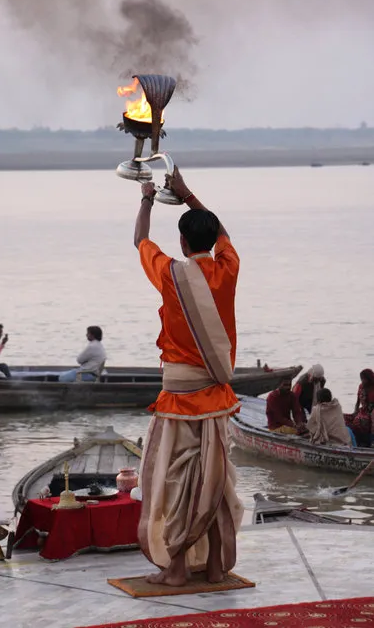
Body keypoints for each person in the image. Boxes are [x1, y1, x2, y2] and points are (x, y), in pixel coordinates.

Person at [135, 166, 243, 587]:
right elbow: (222, 234)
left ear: (181, 242)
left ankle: (178, 568)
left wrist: (147, 198)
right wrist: (187, 193)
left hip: (179, 400)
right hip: (217, 399)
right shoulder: (228, 269)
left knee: (177, 482)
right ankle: (215, 567)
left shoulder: (171, 274)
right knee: (213, 481)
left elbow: (141, 240)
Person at [344, 369, 374, 448]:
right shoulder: (361, 387)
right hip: (362, 411)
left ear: (369, 379)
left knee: (360, 420)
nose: (362, 381)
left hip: (371, 413)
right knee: (343, 417)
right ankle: (353, 439)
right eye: (361, 379)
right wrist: (355, 411)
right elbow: (357, 402)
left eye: (364, 379)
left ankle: (370, 441)